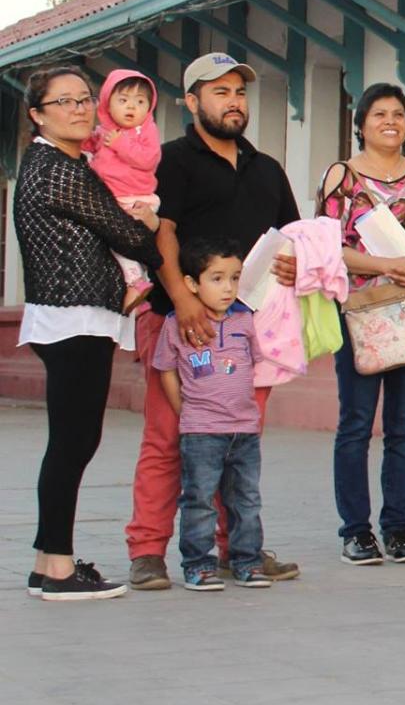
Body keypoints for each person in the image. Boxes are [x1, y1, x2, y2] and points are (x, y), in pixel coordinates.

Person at [125, 52, 302, 591]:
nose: (232, 102)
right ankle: (148, 551)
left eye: (239, 92)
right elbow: (162, 230)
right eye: (219, 92)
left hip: (249, 333)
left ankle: (235, 549)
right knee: (168, 437)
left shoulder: (267, 167)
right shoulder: (173, 160)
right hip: (180, 322)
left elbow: (292, 236)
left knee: (238, 441)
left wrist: (295, 262)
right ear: (192, 101)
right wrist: (182, 298)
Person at [16, 66, 160, 601]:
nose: (78, 108)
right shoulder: (57, 168)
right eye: (64, 101)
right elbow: (129, 234)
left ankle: (46, 559)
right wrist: (147, 229)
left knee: (74, 439)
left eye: (83, 99)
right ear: (38, 114)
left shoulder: (68, 164)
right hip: (72, 316)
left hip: (79, 315)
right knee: (73, 440)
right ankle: (57, 568)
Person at [319, 83, 405, 566]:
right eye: (379, 114)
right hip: (365, 311)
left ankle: (399, 528)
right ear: (361, 124)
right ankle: (356, 531)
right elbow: (329, 245)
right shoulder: (343, 176)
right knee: (356, 426)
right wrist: (383, 264)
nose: (391, 122)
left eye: (399, 115)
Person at [152, 240, 272, 591]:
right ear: (192, 284)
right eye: (217, 279)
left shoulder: (244, 319)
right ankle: (198, 565)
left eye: (234, 278)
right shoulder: (177, 324)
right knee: (200, 499)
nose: (228, 288)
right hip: (201, 431)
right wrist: (183, 410)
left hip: (244, 430)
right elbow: (166, 370)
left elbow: (254, 364)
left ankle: (247, 561)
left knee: (246, 499)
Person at [83, 68, 162, 314]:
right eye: (123, 100)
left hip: (133, 198)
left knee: (116, 240)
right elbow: (88, 143)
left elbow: (148, 159)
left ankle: (135, 281)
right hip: (115, 198)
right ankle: (138, 287)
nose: (132, 107)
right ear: (107, 103)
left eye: (140, 101)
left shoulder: (146, 130)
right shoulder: (104, 131)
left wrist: (120, 144)